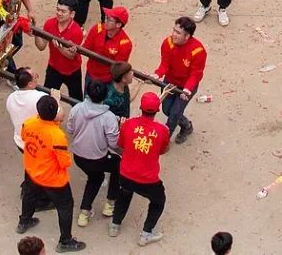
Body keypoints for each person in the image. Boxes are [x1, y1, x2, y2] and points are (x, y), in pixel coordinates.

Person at [16, 94, 85, 250]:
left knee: (29, 195)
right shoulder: (57, 135)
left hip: (32, 169)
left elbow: (24, 138)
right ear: (55, 114)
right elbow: (65, 162)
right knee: (65, 206)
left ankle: (24, 221)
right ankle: (65, 241)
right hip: (53, 178)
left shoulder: (28, 123)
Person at [109, 89, 169, 246]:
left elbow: (120, 145)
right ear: (157, 111)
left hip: (126, 174)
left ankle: (115, 225)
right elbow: (163, 150)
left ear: (141, 108)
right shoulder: (163, 130)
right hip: (148, 180)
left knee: (124, 194)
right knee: (159, 201)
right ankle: (146, 233)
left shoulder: (128, 124)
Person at [62, 77, 121, 228]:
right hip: (98, 158)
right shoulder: (109, 117)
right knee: (117, 166)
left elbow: (70, 129)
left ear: (87, 93)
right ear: (105, 95)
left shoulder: (76, 109)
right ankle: (110, 203)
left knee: (95, 178)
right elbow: (113, 144)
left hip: (78, 156)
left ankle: (85, 212)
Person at [155, 14, 207, 143]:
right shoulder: (167, 43)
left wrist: (187, 90)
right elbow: (164, 64)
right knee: (166, 110)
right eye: (174, 30)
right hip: (170, 82)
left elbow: (196, 74)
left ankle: (164, 141)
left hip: (186, 86)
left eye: (178, 33)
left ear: (187, 36)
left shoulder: (198, 51)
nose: (173, 34)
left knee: (174, 113)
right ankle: (186, 125)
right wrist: (157, 74)